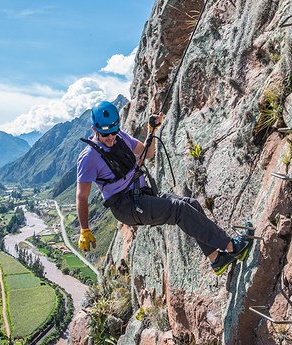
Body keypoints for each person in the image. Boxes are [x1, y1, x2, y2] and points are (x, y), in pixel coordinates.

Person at [75, 100, 251, 275]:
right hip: (125, 206)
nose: (111, 138)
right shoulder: (88, 157)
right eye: (106, 135)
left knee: (191, 204)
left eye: (113, 132)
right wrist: (84, 229)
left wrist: (152, 131)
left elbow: (147, 153)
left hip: (141, 194)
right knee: (179, 210)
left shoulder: (121, 137)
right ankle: (232, 247)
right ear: (94, 130)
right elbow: (82, 196)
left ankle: (216, 260)